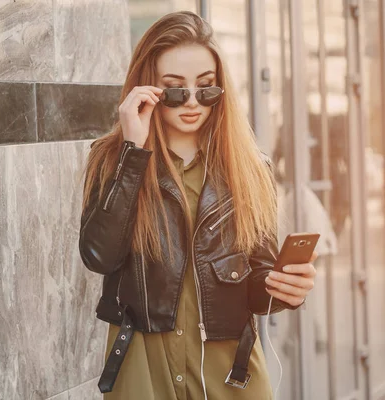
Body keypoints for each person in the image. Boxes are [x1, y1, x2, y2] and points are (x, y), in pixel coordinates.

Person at [78, 11, 317, 400]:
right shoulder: (113, 159)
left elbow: (255, 286)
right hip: (144, 368)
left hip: (229, 373)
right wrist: (132, 154)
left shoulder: (250, 169)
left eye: (206, 88)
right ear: (147, 89)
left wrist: (286, 288)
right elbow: (98, 257)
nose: (192, 102)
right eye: (174, 89)